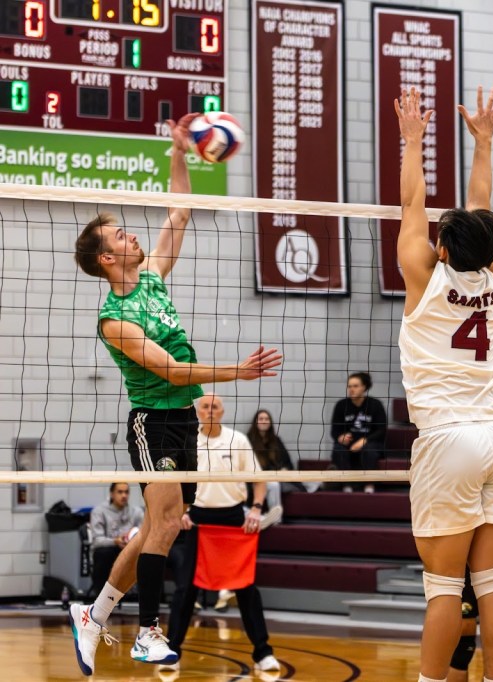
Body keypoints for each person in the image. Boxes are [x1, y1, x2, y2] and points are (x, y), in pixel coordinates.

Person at [69, 115, 283, 677]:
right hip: (153, 421)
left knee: (157, 527)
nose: (131, 234)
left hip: (183, 421)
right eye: (119, 236)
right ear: (105, 260)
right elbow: (171, 370)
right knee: (163, 523)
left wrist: (180, 152)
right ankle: (147, 631)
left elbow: (179, 212)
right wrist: (237, 373)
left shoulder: (154, 279)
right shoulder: (113, 319)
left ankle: (94, 616)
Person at [396, 85, 493, 682]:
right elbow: (482, 211)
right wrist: (484, 142)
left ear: (441, 247)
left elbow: (411, 200)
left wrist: (414, 139)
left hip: (449, 438)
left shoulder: (422, 276)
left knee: (444, 586)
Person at [162, 393, 280, 674]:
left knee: (245, 587)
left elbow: (258, 479)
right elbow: (172, 484)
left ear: (222, 411)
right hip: (198, 520)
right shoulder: (187, 441)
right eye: (205, 406)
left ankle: (263, 652)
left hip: (232, 518)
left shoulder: (237, 440)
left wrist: (256, 508)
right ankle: (171, 651)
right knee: (185, 588)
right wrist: (180, 512)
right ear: (198, 411)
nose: (210, 410)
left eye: (215, 406)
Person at [330, 371, 388, 493]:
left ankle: (369, 484)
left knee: (369, 450)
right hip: (348, 443)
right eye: (349, 386)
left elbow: (381, 430)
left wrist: (364, 440)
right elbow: (334, 431)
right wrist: (340, 437)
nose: (351, 389)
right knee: (338, 449)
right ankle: (346, 484)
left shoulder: (375, 404)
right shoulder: (341, 405)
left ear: (364, 387)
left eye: (355, 386)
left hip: (371, 442)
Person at [87, 483, 144, 599]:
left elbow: (145, 535)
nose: (124, 495)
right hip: (110, 549)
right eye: (120, 492)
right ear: (112, 494)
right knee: (102, 553)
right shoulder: (99, 511)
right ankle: (101, 599)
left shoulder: (137, 512)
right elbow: (97, 541)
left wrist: (133, 541)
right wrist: (115, 541)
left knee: (151, 555)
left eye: (126, 492)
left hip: (131, 550)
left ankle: (147, 599)